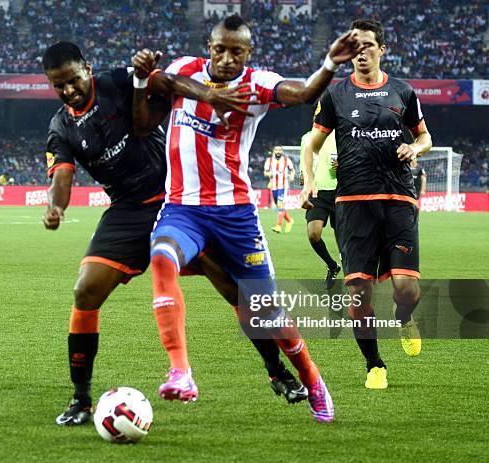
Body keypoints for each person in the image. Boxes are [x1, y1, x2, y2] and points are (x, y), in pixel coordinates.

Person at [41, 41, 305, 426]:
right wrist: (56, 206)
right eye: (58, 85)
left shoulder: (116, 81)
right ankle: (81, 400)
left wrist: (210, 93)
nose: (68, 90)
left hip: (179, 197)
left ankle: (276, 370)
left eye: (73, 80)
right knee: (85, 291)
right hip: (129, 210)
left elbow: (172, 83)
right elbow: (62, 176)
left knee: (234, 289)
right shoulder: (60, 127)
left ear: (86, 67)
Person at [132, 14, 366, 422]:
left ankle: (311, 377)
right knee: (161, 257)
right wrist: (209, 95)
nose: (225, 58)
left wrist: (329, 63)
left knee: (265, 312)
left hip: (235, 215)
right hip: (182, 208)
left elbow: (302, 92)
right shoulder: (184, 69)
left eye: (235, 51)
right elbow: (160, 82)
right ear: (209, 46)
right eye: (219, 49)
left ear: (249, 53)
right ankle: (181, 371)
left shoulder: (257, 84)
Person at [301, 19, 432, 389]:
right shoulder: (335, 95)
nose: (362, 53)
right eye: (356, 48)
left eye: (369, 46)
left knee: (407, 290)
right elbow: (312, 144)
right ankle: (374, 364)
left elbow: (425, 136)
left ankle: (404, 318)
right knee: (358, 291)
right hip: (354, 202)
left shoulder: (403, 92)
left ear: (382, 49)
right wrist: (309, 181)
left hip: (398, 199)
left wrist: (414, 147)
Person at [299, 129, 341, 289]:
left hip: (339, 191)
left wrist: (343, 164)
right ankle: (332, 266)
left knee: (343, 242)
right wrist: (304, 181)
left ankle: (353, 279)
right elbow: (305, 161)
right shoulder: (306, 137)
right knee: (313, 234)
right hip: (316, 193)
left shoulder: (340, 134)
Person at [263, 146, 295, 233]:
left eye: (280, 150)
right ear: (274, 151)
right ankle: (289, 220)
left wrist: (292, 175)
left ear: (282, 151)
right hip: (273, 187)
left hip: (283, 186)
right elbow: (265, 172)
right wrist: (268, 174)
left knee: (281, 205)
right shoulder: (269, 161)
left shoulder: (286, 160)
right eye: (276, 150)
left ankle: (278, 226)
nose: (278, 151)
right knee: (279, 206)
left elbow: (292, 170)